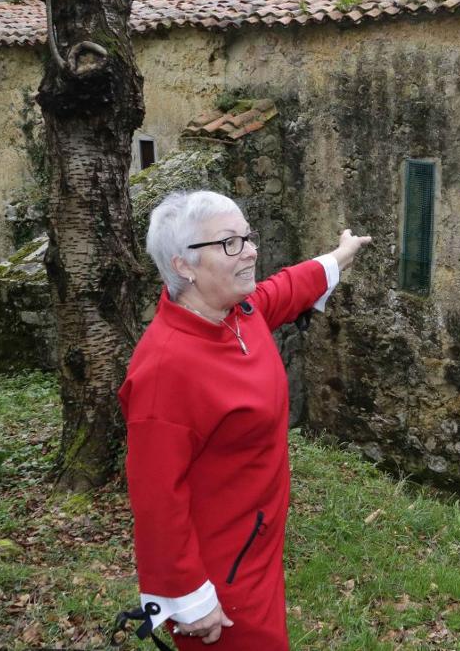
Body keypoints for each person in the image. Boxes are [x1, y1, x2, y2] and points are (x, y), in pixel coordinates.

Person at [118, 190, 371, 649]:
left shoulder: (237, 313)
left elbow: (284, 289)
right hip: (222, 574)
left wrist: (339, 256)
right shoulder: (164, 370)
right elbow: (156, 500)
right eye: (230, 242)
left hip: (257, 540)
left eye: (247, 237)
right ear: (184, 266)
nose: (251, 250)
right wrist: (191, 599)